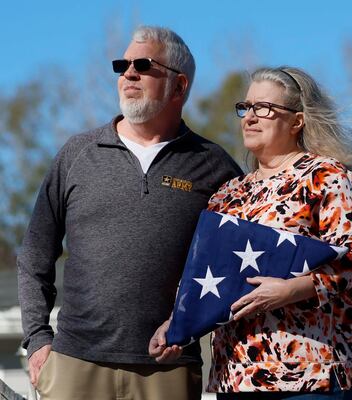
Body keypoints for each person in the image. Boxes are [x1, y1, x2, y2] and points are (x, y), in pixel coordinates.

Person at [17, 25, 241, 400]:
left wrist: (190, 326)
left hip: (169, 369)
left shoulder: (215, 166)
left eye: (143, 64)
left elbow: (239, 263)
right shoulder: (77, 154)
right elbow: (35, 254)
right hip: (75, 364)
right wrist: (37, 338)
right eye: (123, 65)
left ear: (180, 86)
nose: (129, 73)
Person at [151, 66, 352, 399]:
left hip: (312, 373)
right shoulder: (227, 194)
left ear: (297, 121)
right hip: (237, 374)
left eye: (264, 108)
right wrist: (176, 325)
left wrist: (290, 290)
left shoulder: (326, 175)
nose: (250, 117)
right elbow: (205, 274)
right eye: (246, 107)